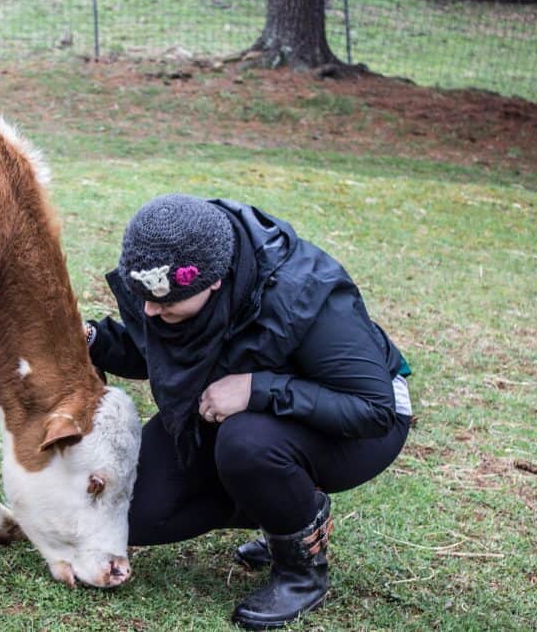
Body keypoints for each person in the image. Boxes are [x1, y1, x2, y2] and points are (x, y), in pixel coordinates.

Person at [84, 194, 412, 630]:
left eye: (162, 305)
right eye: (144, 301)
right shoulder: (172, 283)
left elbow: (373, 410)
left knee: (247, 445)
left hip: (360, 426)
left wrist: (259, 388)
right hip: (248, 414)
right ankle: (286, 506)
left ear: (214, 283)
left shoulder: (305, 292)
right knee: (138, 514)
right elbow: (157, 350)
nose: (148, 311)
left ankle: (301, 572)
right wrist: (91, 339)